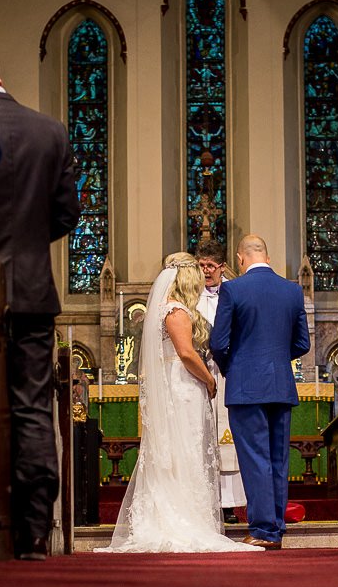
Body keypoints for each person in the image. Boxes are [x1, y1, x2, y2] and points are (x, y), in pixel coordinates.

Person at [0, 46, 80, 560]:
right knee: (32, 406)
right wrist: (30, 241)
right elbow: (66, 214)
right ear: (1, 74)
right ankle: (34, 531)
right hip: (34, 290)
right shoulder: (49, 130)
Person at [99, 257, 261, 553]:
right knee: (184, 450)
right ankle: (183, 520)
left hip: (176, 386)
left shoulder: (166, 309)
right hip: (183, 388)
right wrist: (210, 381)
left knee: (178, 451)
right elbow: (186, 354)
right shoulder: (176, 311)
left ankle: (178, 513)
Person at [209, 235, 312, 549]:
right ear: (267, 255)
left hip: (245, 387)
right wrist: (276, 360)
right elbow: (302, 343)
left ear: (240, 259)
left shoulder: (233, 288)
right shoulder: (292, 290)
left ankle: (264, 530)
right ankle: (276, 528)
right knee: (278, 459)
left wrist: (234, 367)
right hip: (281, 385)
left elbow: (218, 342)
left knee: (255, 459)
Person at [195, 238, 245, 524]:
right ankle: (203, 501)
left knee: (227, 435)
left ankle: (227, 504)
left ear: (222, 266)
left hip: (227, 372)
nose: (205, 271)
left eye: (210, 266)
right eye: (201, 266)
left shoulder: (234, 291)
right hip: (200, 372)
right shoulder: (191, 294)